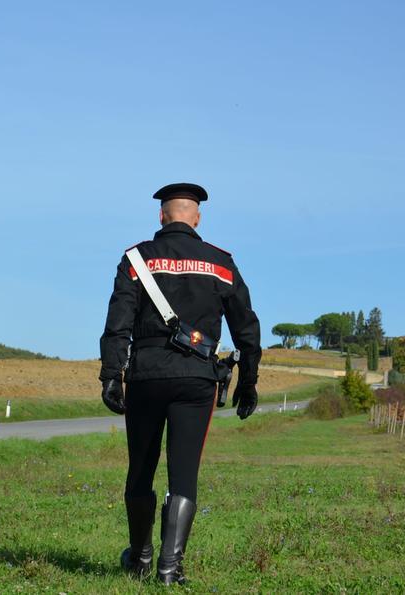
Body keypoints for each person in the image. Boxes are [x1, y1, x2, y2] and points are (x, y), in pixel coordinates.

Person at [99, 183, 261, 585]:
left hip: (146, 376)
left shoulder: (136, 259)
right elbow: (246, 327)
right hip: (197, 378)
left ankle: (139, 559)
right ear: (197, 217)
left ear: (162, 216)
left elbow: (117, 322)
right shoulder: (220, 262)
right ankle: (170, 570)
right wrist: (249, 381)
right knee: (183, 473)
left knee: (141, 468)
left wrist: (110, 374)